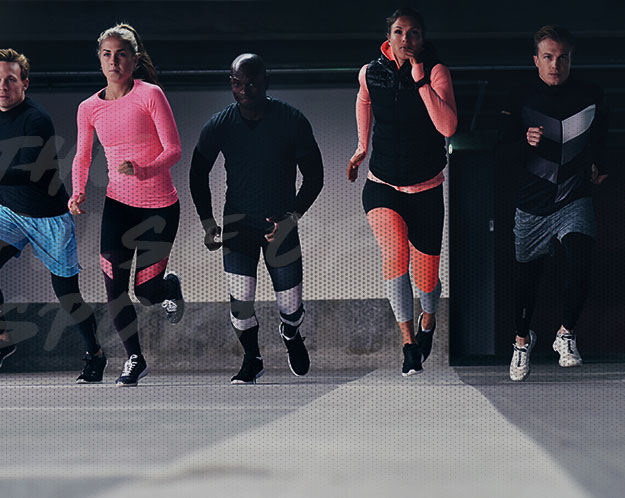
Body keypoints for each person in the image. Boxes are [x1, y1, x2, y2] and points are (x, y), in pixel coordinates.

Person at [0, 48, 105, 382]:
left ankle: (95, 353)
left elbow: (30, 174)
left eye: (11, 80)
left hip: (50, 216)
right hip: (10, 212)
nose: (3, 87)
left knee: (67, 294)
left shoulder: (37, 120)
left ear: (24, 84)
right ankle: (2, 339)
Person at [189, 53, 323, 382]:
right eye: (238, 83)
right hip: (238, 225)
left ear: (266, 82)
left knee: (291, 307)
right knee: (240, 304)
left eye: (252, 83)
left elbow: (315, 176)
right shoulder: (220, 124)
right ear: (231, 84)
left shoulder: (291, 120)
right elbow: (197, 173)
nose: (245, 90)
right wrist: (207, 222)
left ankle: (291, 333)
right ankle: (252, 358)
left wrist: (292, 217)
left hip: (281, 226)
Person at [69, 23, 185, 386]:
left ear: (134, 59)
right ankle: (135, 358)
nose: (113, 61)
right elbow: (82, 156)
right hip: (118, 207)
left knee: (145, 292)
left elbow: (174, 150)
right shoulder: (88, 107)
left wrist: (143, 169)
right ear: (99, 59)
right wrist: (77, 191)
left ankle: (169, 288)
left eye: (121, 55)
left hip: (159, 208)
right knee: (114, 287)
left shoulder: (150, 94)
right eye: (107, 55)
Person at [346, 8, 457, 376]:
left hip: (426, 190)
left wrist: (420, 80)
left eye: (413, 33)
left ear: (422, 39)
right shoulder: (370, 72)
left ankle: (428, 318)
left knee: (426, 282)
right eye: (399, 32)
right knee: (395, 255)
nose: (406, 39)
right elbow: (364, 100)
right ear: (389, 36)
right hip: (383, 185)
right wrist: (362, 146)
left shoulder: (437, 71)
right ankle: (408, 343)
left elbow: (448, 127)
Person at [496, 26, 609, 382]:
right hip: (532, 204)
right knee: (526, 281)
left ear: (571, 59)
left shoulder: (591, 94)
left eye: (562, 58)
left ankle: (566, 333)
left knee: (580, 261)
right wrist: (524, 142)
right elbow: (499, 153)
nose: (555, 65)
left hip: (574, 197)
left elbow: (602, 138)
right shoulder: (519, 96)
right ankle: (521, 341)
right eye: (548, 57)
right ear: (536, 60)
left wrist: (599, 164)